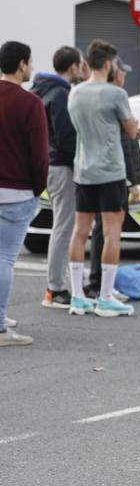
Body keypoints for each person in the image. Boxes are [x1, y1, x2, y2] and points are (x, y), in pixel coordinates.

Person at [66, 40, 140, 318]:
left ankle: (77, 295)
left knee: (80, 231)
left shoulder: (75, 92)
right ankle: (106, 297)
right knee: (111, 233)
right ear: (109, 64)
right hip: (110, 170)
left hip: (83, 168)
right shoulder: (115, 94)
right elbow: (131, 131)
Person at [0, 41, 47, 346]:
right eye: (29, 62)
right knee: (4, 258)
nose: (31, 67)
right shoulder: (30, 104)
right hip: (16, 192)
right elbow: (40, 156)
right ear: (21, 64)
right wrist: (37, 188)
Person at [32, 45, 85, 310]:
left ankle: (58, 283)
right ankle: (55, 287)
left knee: (62, 225)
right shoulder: (62, 94)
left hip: (50, 164)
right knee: (64, 226)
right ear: (73, 67)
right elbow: (66, 136)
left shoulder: (41, 89)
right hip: (63, 165)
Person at [87, 57, 140, 300]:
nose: (124, 76)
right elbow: (126, 145)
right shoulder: (116, 100)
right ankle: (102, 288)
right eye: (122, 72)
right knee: (109, 232)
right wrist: (134, 182)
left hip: (91, 172)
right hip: (113, 174)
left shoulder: (94, 98)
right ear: (114, 73)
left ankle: (97, 284)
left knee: (98, 230)